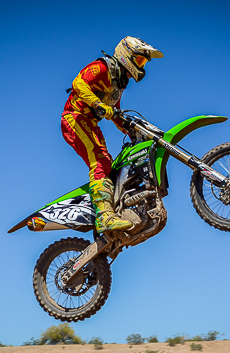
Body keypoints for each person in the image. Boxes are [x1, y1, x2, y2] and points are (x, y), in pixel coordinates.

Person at [61, 36, 163, 233]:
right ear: (127, 55)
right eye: (140, 60)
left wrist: (130, 129)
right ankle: (104, 216)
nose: (141, 66)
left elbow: (114, 111)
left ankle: (114, 206)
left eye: (143, 62)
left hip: (90, 123)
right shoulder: (103, 68)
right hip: (74, 118)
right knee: (99, 161)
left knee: (109, 163)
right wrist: (98, 104)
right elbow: (79, 83)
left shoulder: (119, 81)